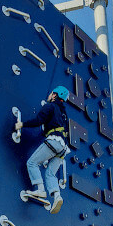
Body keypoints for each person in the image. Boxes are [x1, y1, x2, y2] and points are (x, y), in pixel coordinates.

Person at [15, 86, 70, 214]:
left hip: (54, 141)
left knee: (32, 163)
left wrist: (22, 124)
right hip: (63, 148)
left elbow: (38, 121)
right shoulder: (64, 114)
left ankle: (40, 189)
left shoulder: (50, 106)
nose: (49, 95)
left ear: (55, 95)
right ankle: (57, 196)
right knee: (50, 174)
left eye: (51, 93)